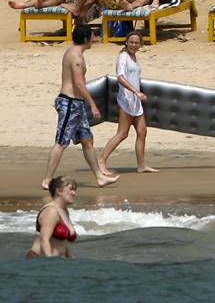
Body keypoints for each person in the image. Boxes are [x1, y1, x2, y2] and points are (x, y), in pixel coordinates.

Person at [42, 25, 120, 190]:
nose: (94, 39)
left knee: (87, 141)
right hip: (69, 103)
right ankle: (47, 180)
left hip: (76, 104)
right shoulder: (76, 56)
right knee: (61, 142)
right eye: (92, 36)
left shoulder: (72, 52)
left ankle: (99, 177)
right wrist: (93, 105)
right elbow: (78, 83)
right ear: (86, 39)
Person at [98, 31, 158, 175]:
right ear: (126, 42)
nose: (133, 45)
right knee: (122, 134)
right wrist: (136, 92)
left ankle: (141, 165)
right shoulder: (123, 57)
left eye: (136, 43)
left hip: (136, 102)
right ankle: (101, 161)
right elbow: (120, 77)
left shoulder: (134, 58)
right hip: (126, 100)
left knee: (142, 131)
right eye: (131, 42)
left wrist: (138, 94)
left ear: (140, 45)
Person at [26, 176, 78, 258]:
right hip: (39, 260)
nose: (74, 193)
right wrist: (50, 264)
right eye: (71, 189)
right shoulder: (51, 211)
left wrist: (72, 259)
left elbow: (64, 242)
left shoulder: (64, 211)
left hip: (57, 261)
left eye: (74, 190)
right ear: (59, 191)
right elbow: (44, 240)